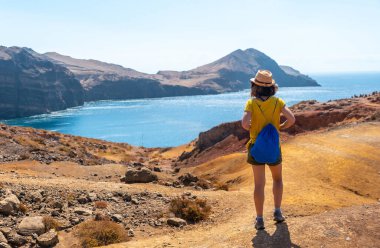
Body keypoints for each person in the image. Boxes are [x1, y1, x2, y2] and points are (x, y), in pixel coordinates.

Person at [241, 70, 296, 230]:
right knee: (277, 179)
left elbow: (244, 124)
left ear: (254, 87)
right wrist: (280, 127)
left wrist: (254, 129)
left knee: (259, 184)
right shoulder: (278, 102)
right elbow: (292, 119)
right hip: (273, 148)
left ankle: (259, 220)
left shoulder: (251, 103)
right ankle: (277, 212)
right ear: (271, 87)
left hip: (255, 146)